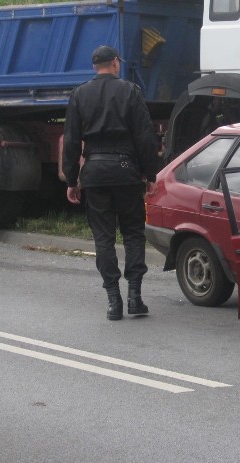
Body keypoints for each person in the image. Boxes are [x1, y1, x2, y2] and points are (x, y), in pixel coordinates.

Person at [62, 45, 159, 321]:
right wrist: (150, 174)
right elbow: (145, 137)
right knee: (133, 233)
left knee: (103, 238)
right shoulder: (130, 91)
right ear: (115, 63)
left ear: (96, 66)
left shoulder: (79, 94)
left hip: (93, 172)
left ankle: (113, 301)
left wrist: (72, 179)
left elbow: (71, 141)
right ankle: (135, 298)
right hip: (126, 170)